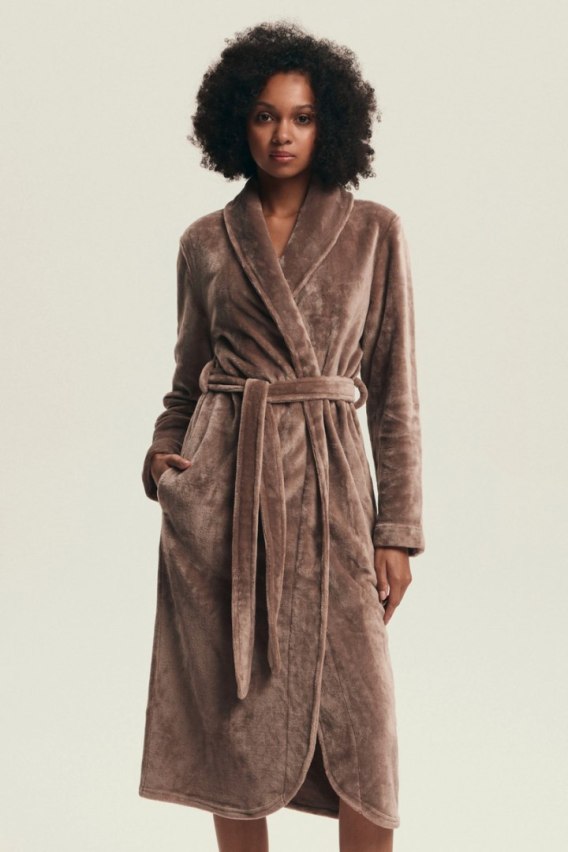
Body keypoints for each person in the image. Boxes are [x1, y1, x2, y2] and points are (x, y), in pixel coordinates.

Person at [138, 20, 425, 852]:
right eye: (265, 115)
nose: (282, 135)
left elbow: (396, 394)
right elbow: (188, 380)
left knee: (365, 730)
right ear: (239, 122)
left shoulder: (375, 231)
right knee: (237, 721)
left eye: (301, 116)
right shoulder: (205, 242)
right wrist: (164, 460)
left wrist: (396, 530)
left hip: (335, 497)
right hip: (228, 500)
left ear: (329, 123)